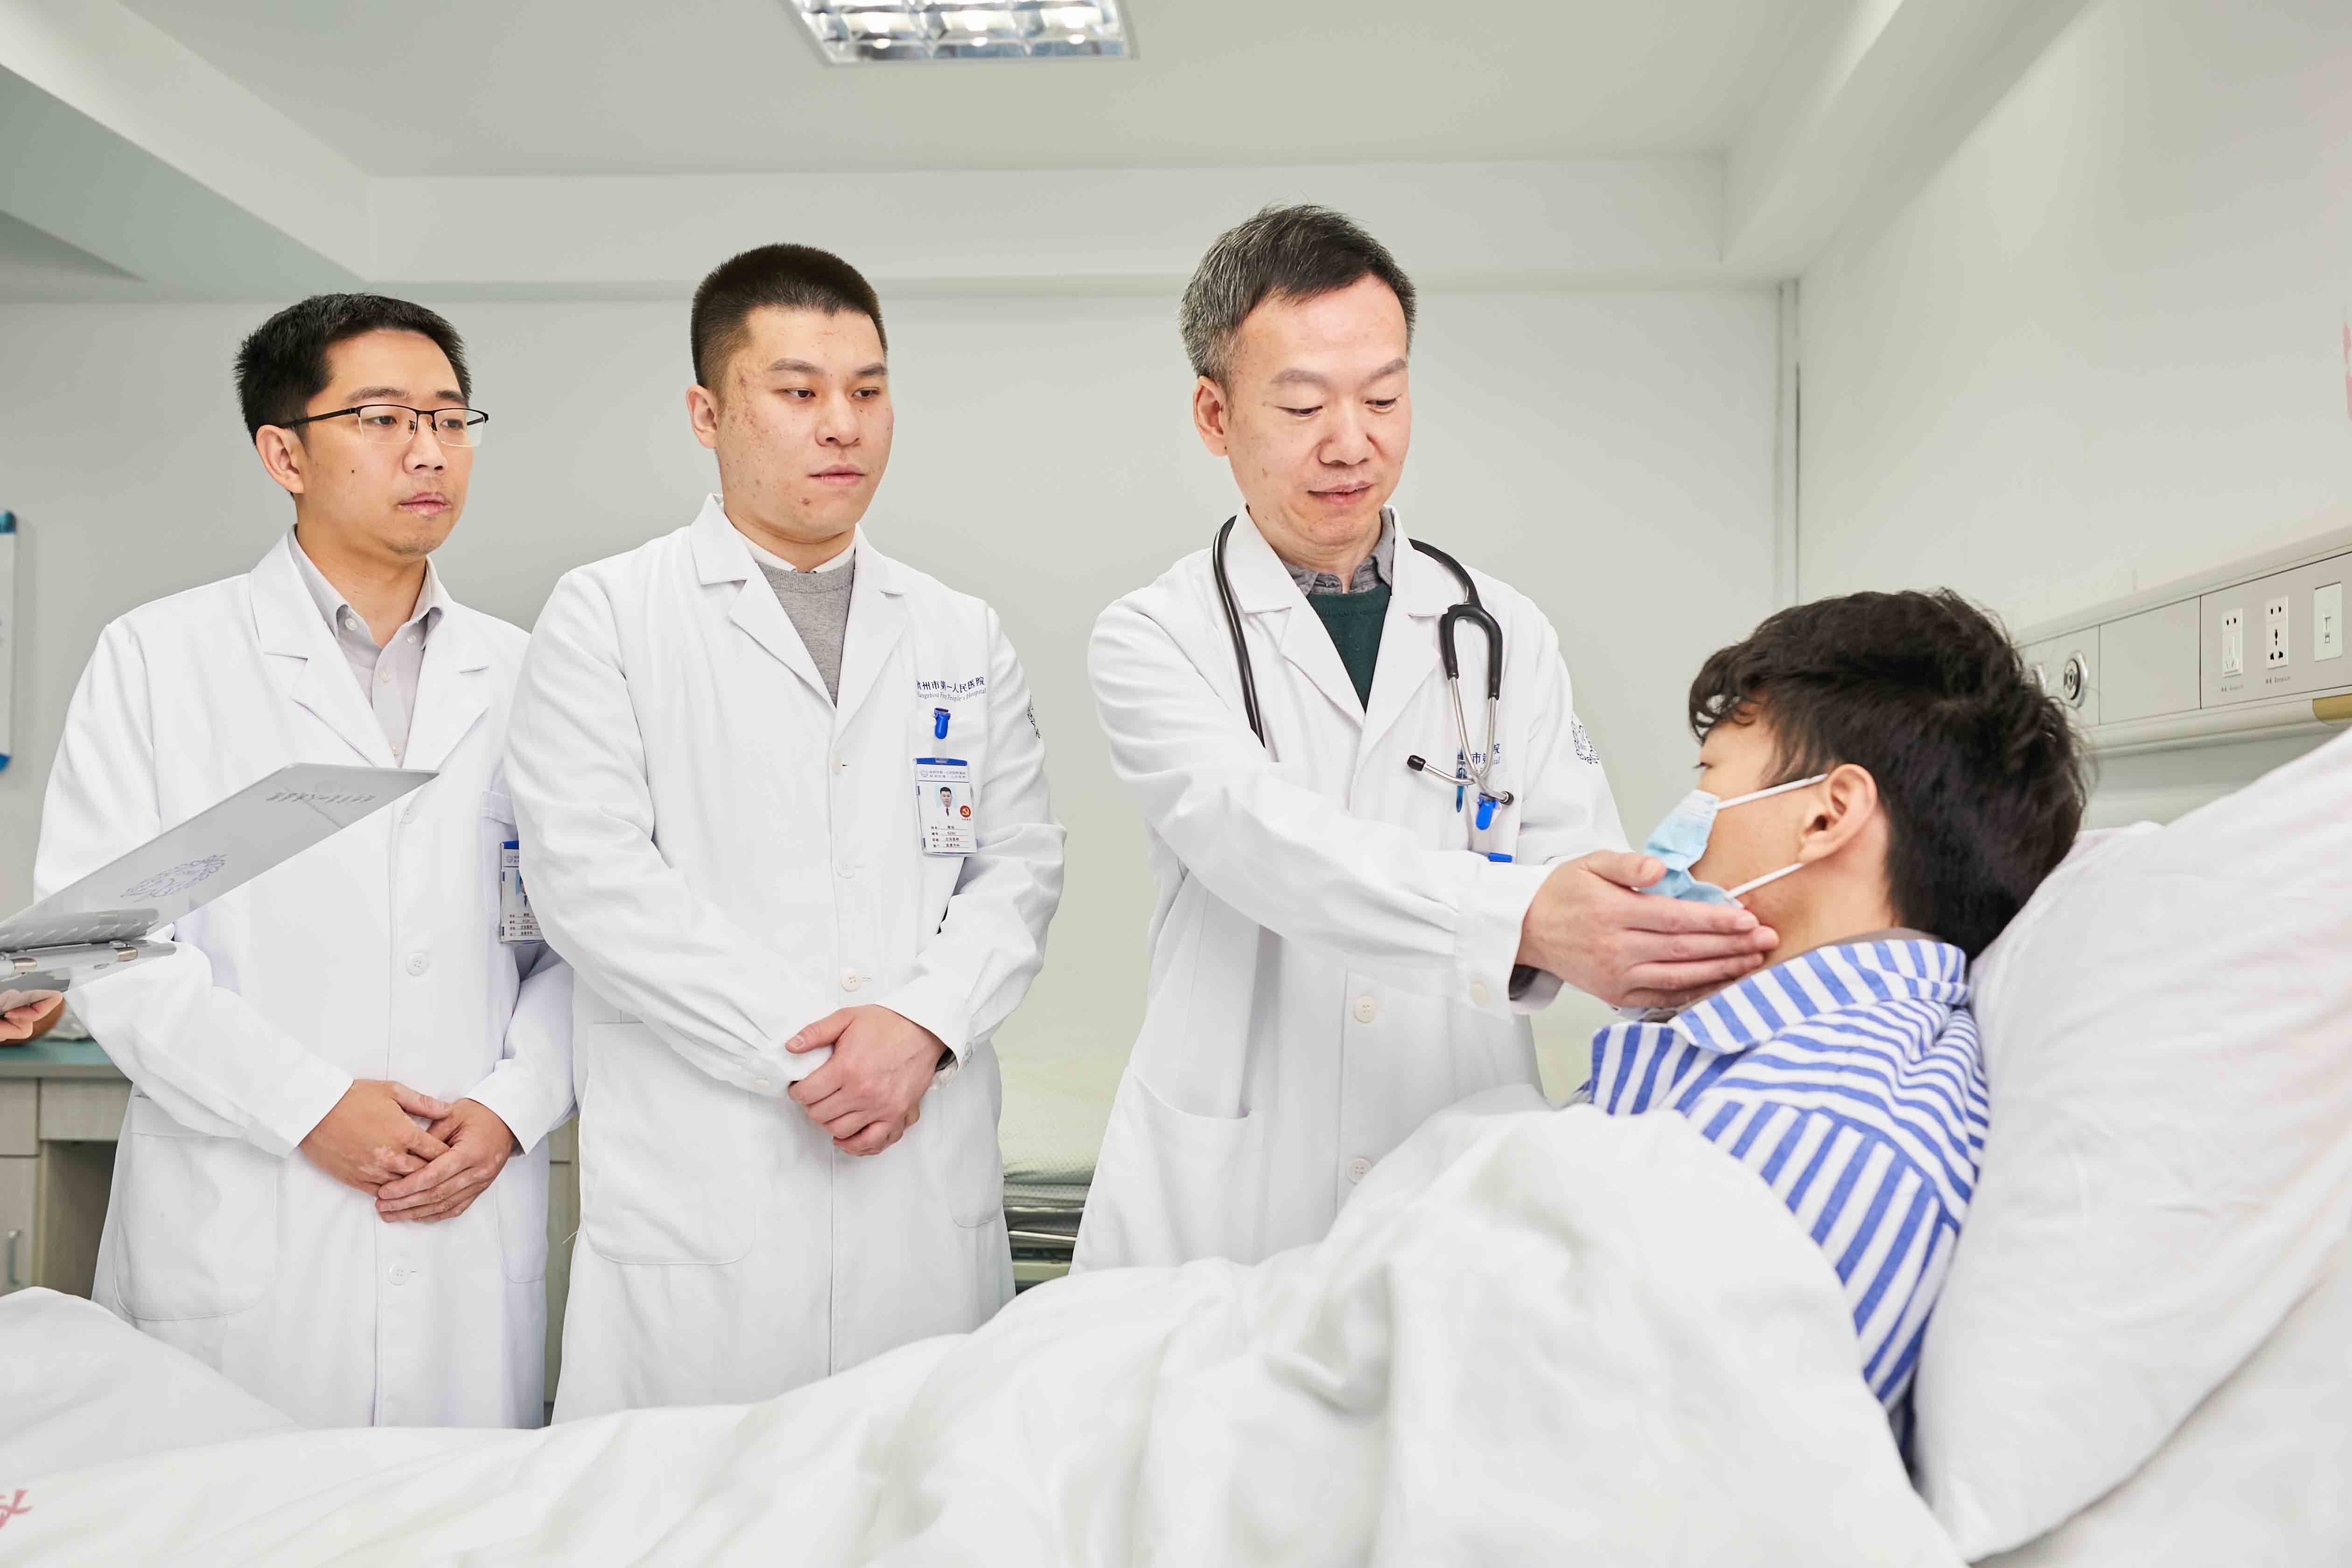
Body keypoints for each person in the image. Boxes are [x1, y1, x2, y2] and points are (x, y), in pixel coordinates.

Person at [1075, 205, 1777, 1270]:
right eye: (1302, 404)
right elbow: (1262, 843)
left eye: (1384, 398)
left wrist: (1657, 927)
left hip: (1449, 1144)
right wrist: (1522, 917)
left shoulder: (1501, 632)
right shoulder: (1156, 636)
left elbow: (1573, 865)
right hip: (1230, 1189)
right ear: (1215, 414)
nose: (1351, 442)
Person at [505, 244, 1066, 1420]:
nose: (842, 425)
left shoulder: (957, 630)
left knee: (921, 1488)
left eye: (868, 390)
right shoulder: (610, 614)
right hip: (709, 1191)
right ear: (708, 413)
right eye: (799, 391)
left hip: (920, 1185)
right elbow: (593, 882)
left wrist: (922, 1026)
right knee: (681, 1501)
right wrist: (819, 1058)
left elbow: (1018, 866)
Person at [33, 294, 574, 1427]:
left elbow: (582, 939)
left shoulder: (534, 676)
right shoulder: (160, 659)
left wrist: (513, 1108)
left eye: (449, 418)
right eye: (381, 419)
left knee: (453, 1512)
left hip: (463, 1207)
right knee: (226, 1501)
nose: (428, 450)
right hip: (246, 1211)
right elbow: (108, 950)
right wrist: (310, 1105)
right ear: (284, 454)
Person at [1589, 588, 2086, 1447]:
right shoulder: (1756, 1061)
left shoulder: (1812, 1132)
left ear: (1828, 814)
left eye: (1707, 779)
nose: (1673, 833)